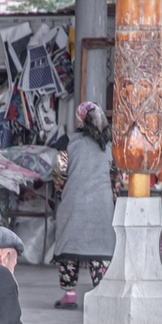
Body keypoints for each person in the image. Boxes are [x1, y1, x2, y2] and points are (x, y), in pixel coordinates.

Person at [50, 102, 116, 309]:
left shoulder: (68, 141)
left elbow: (59, 172)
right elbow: (116, 177)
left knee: (70, 248)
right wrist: (111, 198)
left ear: (80, 119)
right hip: (103, 204)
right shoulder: (111, 145)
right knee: (101, 249)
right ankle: (100, 295)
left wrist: (61, 192)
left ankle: (69, 295)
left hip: (74, 201)